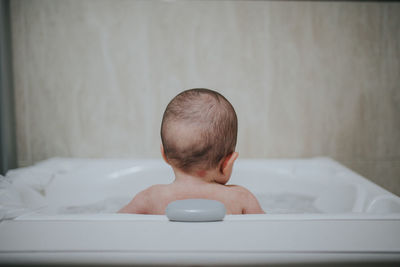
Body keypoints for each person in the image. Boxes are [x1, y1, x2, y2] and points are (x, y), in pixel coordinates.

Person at [119, 88, 264, 214]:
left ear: (164, 155)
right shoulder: (241, 199)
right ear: (227, 163)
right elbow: (268, 233)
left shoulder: (149, 198)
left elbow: (113, 223)